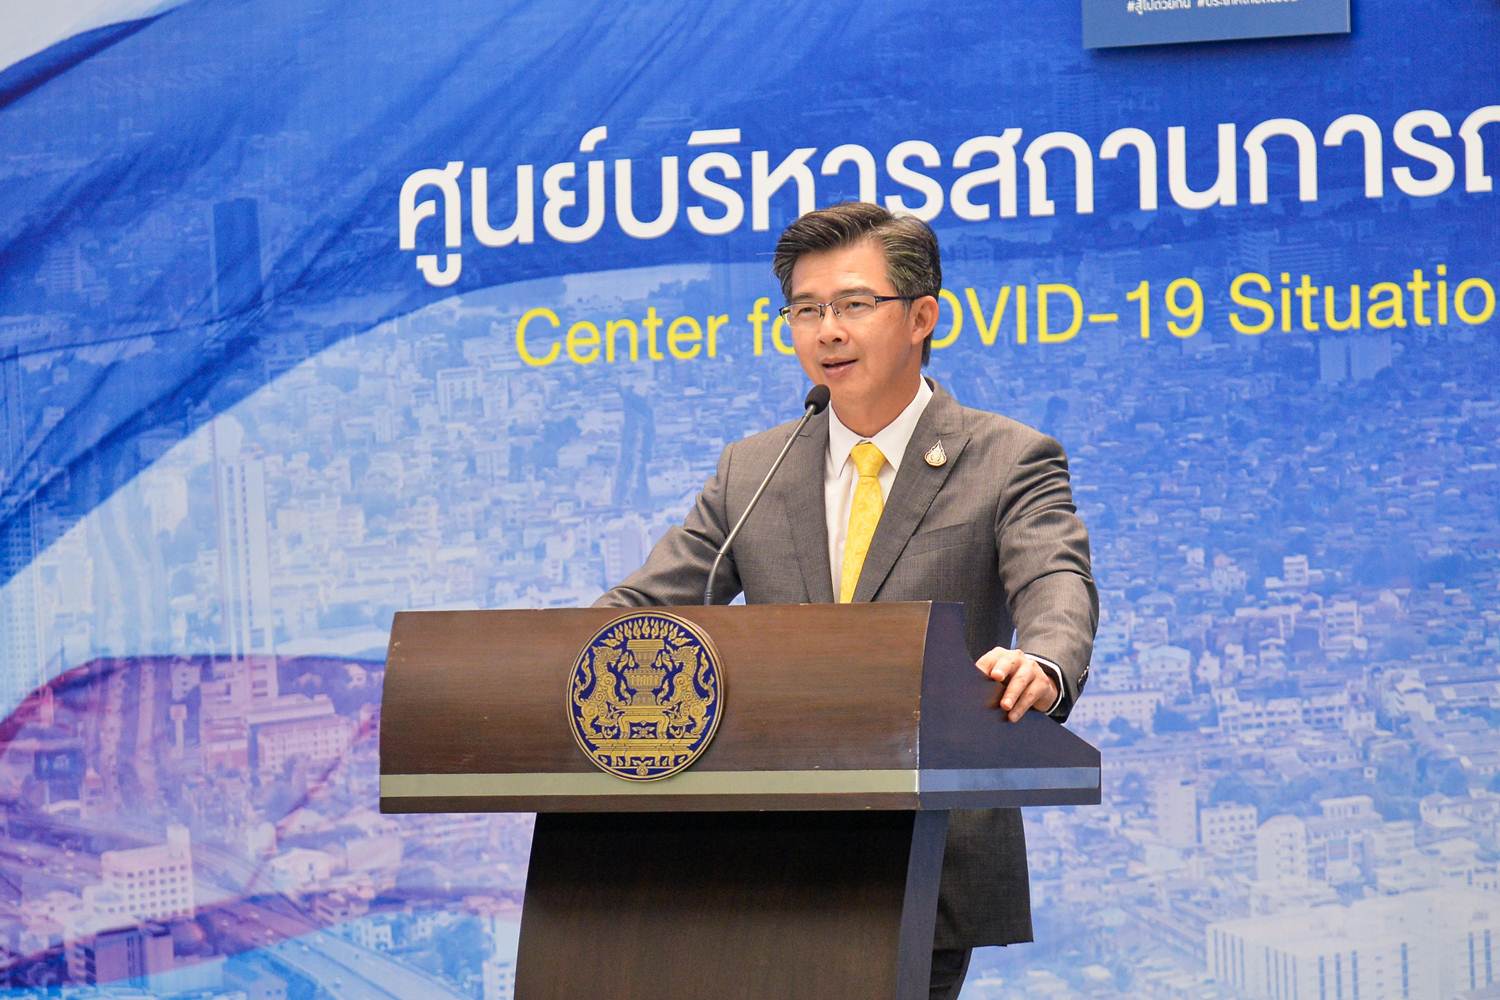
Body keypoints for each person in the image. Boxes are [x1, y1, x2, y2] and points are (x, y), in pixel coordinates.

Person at [595, 201, 1098, 999]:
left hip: (927, 850)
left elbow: (1054, 581)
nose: (827, 331)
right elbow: (647, 603)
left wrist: (1043, 661)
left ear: (922, 317)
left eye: (854, 304)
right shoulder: (753, 468)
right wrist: (556, 656)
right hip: (772, 860)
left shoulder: (1007, 458)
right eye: (805, 310)